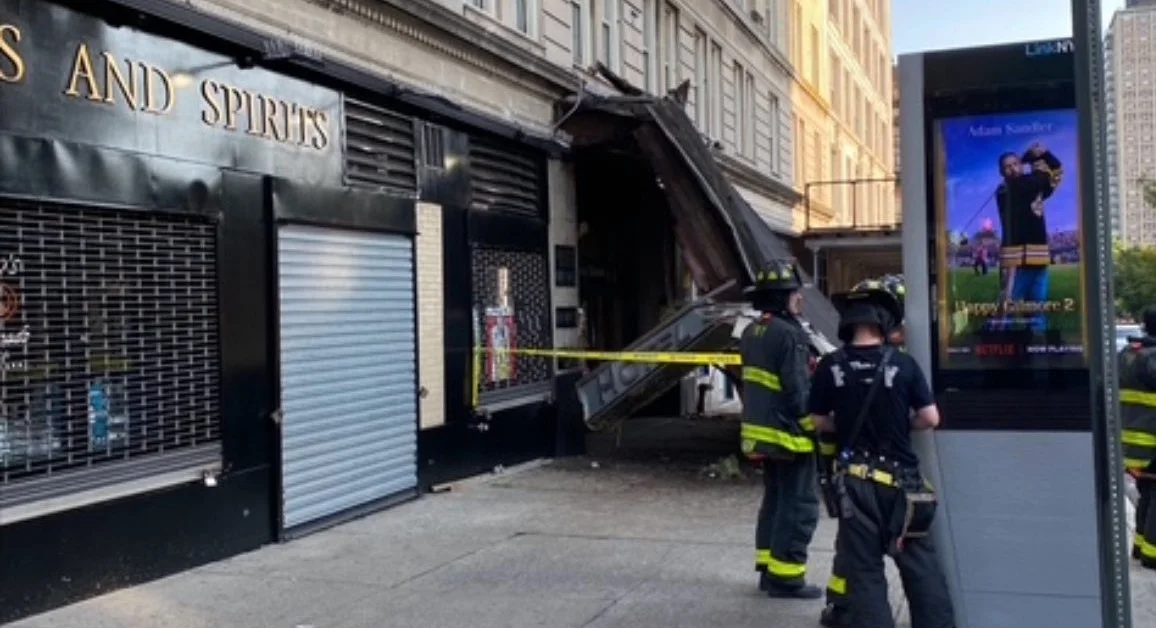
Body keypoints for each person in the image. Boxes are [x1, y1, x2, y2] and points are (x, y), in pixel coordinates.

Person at [809, 279, 955, 628]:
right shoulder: (903, 365)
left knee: (865, 574)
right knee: (921, 569)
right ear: (886, 321)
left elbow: (818, 422)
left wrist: (843, 424)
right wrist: (901, 424)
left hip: (856, 485)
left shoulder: (831, 366)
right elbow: (931, 418)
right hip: (905, 485)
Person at [819, 275, 907, 628]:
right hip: (892, 471)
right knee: (862, 550)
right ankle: (842, 605)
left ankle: (843, 607)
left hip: (858, 472)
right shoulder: (905, 363)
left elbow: (822, 420)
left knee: (857, 547)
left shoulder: (844, 362)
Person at [739, 258, 822, 599]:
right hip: (789, 435)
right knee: (799, 504)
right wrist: (813, 428)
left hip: (760, 434)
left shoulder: (752, 331)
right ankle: (786, 577)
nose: (799, 298)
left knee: (774, 500)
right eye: (793, 293)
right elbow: (797, 390)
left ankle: (767, 569)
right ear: (781, 297)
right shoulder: (790, 334)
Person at [995, 143, 1063, 329]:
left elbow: (1056, 173)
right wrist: (1032, 159)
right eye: (1007, 167)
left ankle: (1037, 349)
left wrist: (1045, 154)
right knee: (1007, 309)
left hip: (1038, 256)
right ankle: (1001, 345)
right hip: (1015, 260)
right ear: (1002, 172)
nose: (1012, 169)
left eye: (1015, 164)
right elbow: (1039, 181)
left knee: (1037, 310)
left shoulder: (1031, 185)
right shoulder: (1006, 189)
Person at [1120, 307, 1156, 570]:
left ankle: (1140, 546)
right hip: (1152, 441)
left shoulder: (1128, 354)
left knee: (1147, 492)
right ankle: (1152, 556)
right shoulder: (1152, 358)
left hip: (1132, 443)